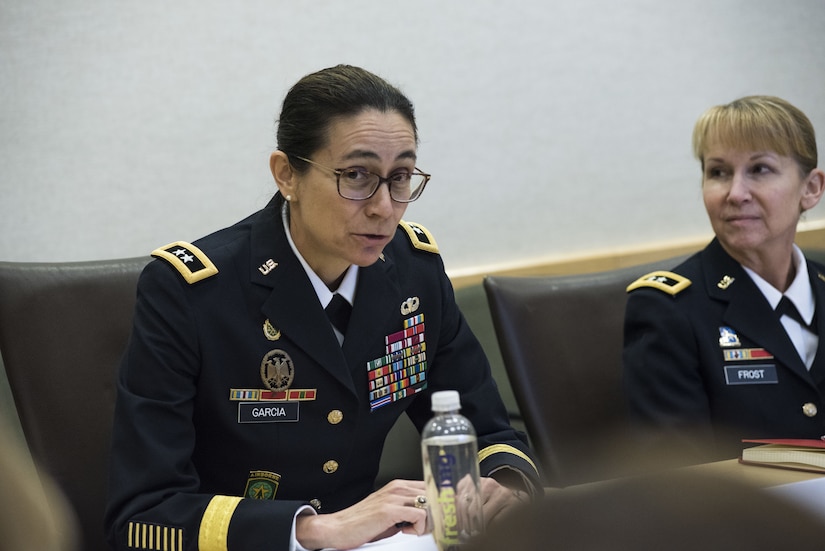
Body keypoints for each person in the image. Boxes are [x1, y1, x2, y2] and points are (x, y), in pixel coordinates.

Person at [104, 64, 541, 551]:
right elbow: (143, 515)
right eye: (356, 176)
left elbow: (487, 429)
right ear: (286, 173)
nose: (384, 208)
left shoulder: (413, 274)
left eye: (400, 178)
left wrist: (506, 490)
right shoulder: (191, 292)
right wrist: (311, 528)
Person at [623, 95, 825, 462]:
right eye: (718, 173)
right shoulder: (668, 309)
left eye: (760, 169)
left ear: (811, 188)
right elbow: (679, 477)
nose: (735, 194)